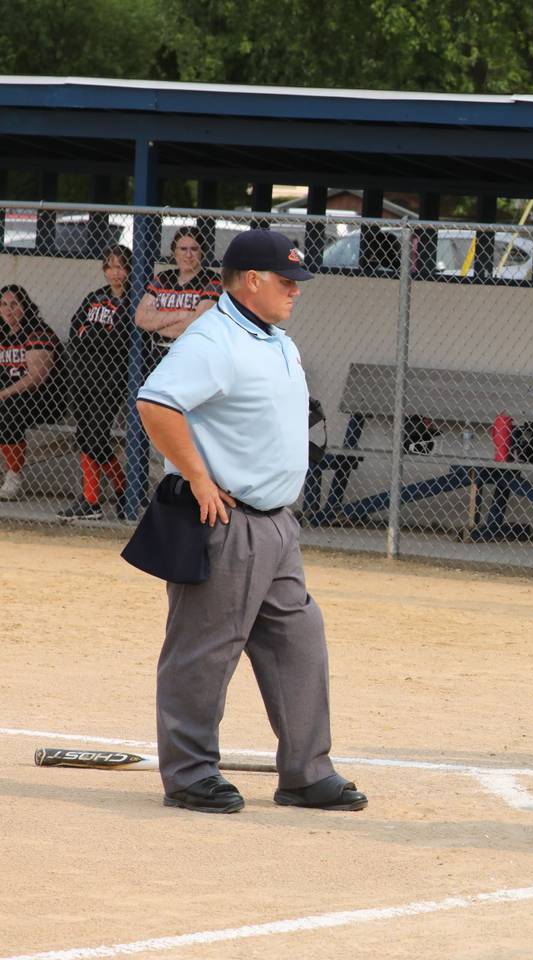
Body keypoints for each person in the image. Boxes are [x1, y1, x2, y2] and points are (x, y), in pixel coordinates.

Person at [133, 229, 366, 814]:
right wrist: (200, 477)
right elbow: (156, 403)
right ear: (252, 281)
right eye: (286, 282)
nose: (296, 291)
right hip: (226, 518)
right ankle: (189, 773)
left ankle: (306, 773)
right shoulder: (214, 338)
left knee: (299, 641)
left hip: (278, 525)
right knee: (204, 650)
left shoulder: (272, 336)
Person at [57, 244, 133, 520]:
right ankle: (121, 491)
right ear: (104, 270)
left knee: (96, 433)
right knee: (85, 434)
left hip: (111, 378)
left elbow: (119, 339)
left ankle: (93, 500)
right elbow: (75, 330)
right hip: (84, 376)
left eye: (121, 266)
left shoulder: (133, 299)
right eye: (111, 266)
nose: (116, 272)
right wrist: (97, 338)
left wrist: (92, 337)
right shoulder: (95, 297)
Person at [0, 284, 62, 501]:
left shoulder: (37, 331)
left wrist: (3, 394)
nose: (8, 309)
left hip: (44, 399)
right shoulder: (2, 334)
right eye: (4, 304)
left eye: (14, 304)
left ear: (25, 307)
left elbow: (37, 377)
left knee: (7, 413)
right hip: (10, 397)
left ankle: (14, 476)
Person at [135, 226, 222, 363]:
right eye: (183, 249)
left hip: (193, 354)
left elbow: (197, 325)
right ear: (174, 252)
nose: (188, 255)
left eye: (194, 249)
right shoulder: (163, 278)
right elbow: (140, 318)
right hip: (158, 355)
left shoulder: (212, 280)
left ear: (202, 252)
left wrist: (157, 326)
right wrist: (183, 314)